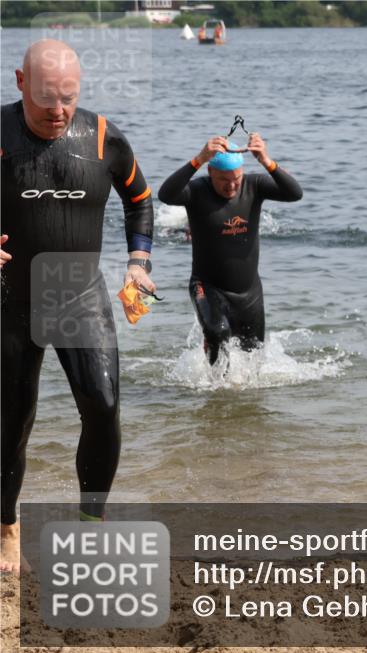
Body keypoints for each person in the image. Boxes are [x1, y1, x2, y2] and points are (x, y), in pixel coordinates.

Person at [1, 40, 155, 574]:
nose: (59, 112)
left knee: (104, 404)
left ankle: (93, 522)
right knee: (11, 425)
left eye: (68, 98)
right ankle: (7, 530)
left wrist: (139, 262)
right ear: (20, 84)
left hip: (77, 292)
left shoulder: (105, 139)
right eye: (46, 101)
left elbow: (139, 200)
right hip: (9, 299)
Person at [158, 133, 302, 366]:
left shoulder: (254, 186)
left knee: (252, 361)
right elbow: (166, 194)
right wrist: (199, 158)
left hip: (249, 294)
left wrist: (266, 160)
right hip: (207, 287)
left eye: (236, 178)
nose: (232, 185)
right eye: (224, 180)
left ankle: (235, 400)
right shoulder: (196, 191)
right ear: (210, 172)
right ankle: (213, 394)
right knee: (217, 333)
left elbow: (295, 193)